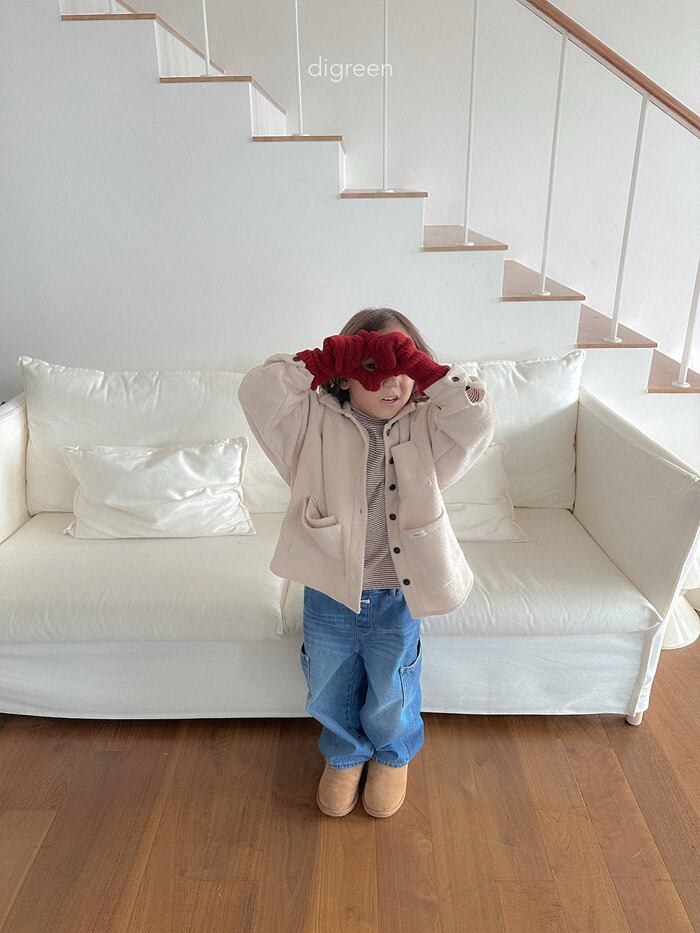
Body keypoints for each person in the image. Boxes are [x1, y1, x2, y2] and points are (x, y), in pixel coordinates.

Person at [237, 307, 495, 819]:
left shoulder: (429, 425)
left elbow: (477, 420)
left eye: (404, 367)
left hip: (401, 589)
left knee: (394, 682)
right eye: (373, 367)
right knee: (328, 679)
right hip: (330, 586)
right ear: (345, 372)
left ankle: (392, 755)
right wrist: (323, 359)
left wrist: (427, 372)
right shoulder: (312, 421)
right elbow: (257, 393)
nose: (391, 382)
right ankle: (345, 754)